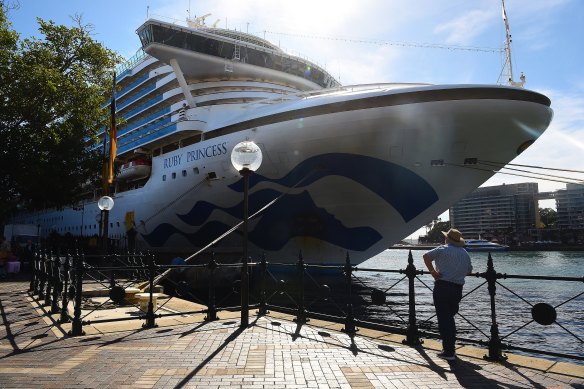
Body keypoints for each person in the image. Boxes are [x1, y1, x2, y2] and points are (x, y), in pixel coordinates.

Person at [423, 228, 473, 361]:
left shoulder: (442, 249)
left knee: (444, 320)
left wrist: (433, 272)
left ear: (447, 239)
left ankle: (449, 351)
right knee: (450, 319)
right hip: (457, 289)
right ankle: (451, 349)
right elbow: (469, 271)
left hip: (442, 286)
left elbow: (426, 256)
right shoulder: (465, 253)